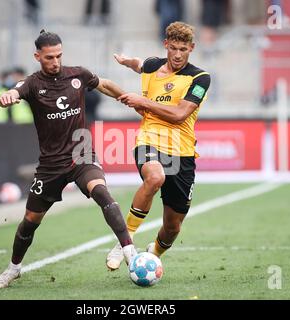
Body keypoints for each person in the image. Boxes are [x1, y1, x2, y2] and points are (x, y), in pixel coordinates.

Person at [0, 30, 137, 288]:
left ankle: (130, 253)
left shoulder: (77, 74)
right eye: (49, 57)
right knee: (30, 222)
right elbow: (13, 93)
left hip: (82, 155)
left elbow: (104, 84)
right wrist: (7, 97)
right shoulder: (32, 84)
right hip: (50, 166)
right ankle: (13, 269)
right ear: (37, 56)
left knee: (102, 193)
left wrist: (128, 98)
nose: (55, 61)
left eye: (59, 55)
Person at [106, 21, 211, 270]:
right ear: (166, 45)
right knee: (155, 178)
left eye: (183, 49)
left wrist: (143, 101)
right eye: (173, 48)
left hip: (182, 151)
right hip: (149, 139)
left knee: (173, 226)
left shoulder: (200, 78)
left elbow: (179, 115)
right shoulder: (153, 65)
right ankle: (125, 241)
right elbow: (140, 65)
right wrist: (127, 60)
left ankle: (153, 253)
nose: (177, 54)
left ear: (191, 48)